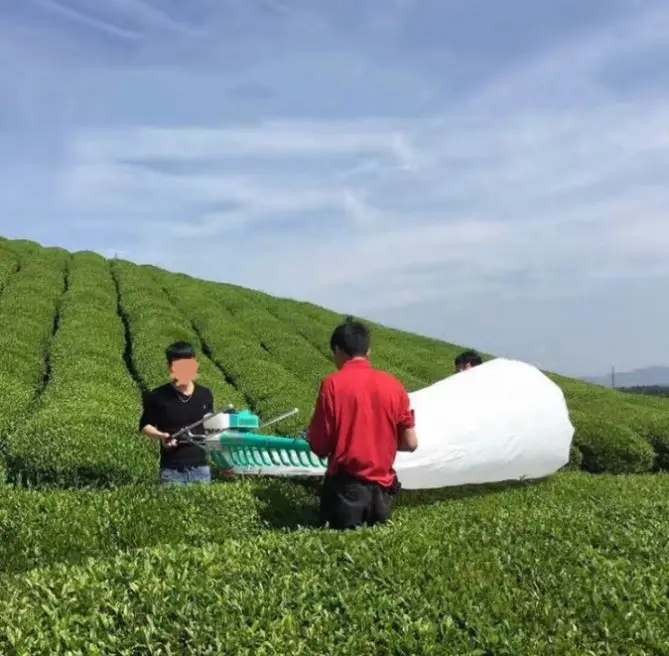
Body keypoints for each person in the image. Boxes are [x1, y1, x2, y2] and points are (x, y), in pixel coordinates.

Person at [306, 316, 418, 530]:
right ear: (368, 352)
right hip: (383, 493)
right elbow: (411, 443)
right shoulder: (394, 385)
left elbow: (320, 445)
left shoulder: (332, 385)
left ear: (338, 350)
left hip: (346, 492)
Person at [139, 341, 214, 485]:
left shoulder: (205, 394)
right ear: (170, 367)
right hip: (172, 471)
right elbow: (145, 425)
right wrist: (162, 436)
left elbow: (210, 423)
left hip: (201, 469)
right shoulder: (158, 395)